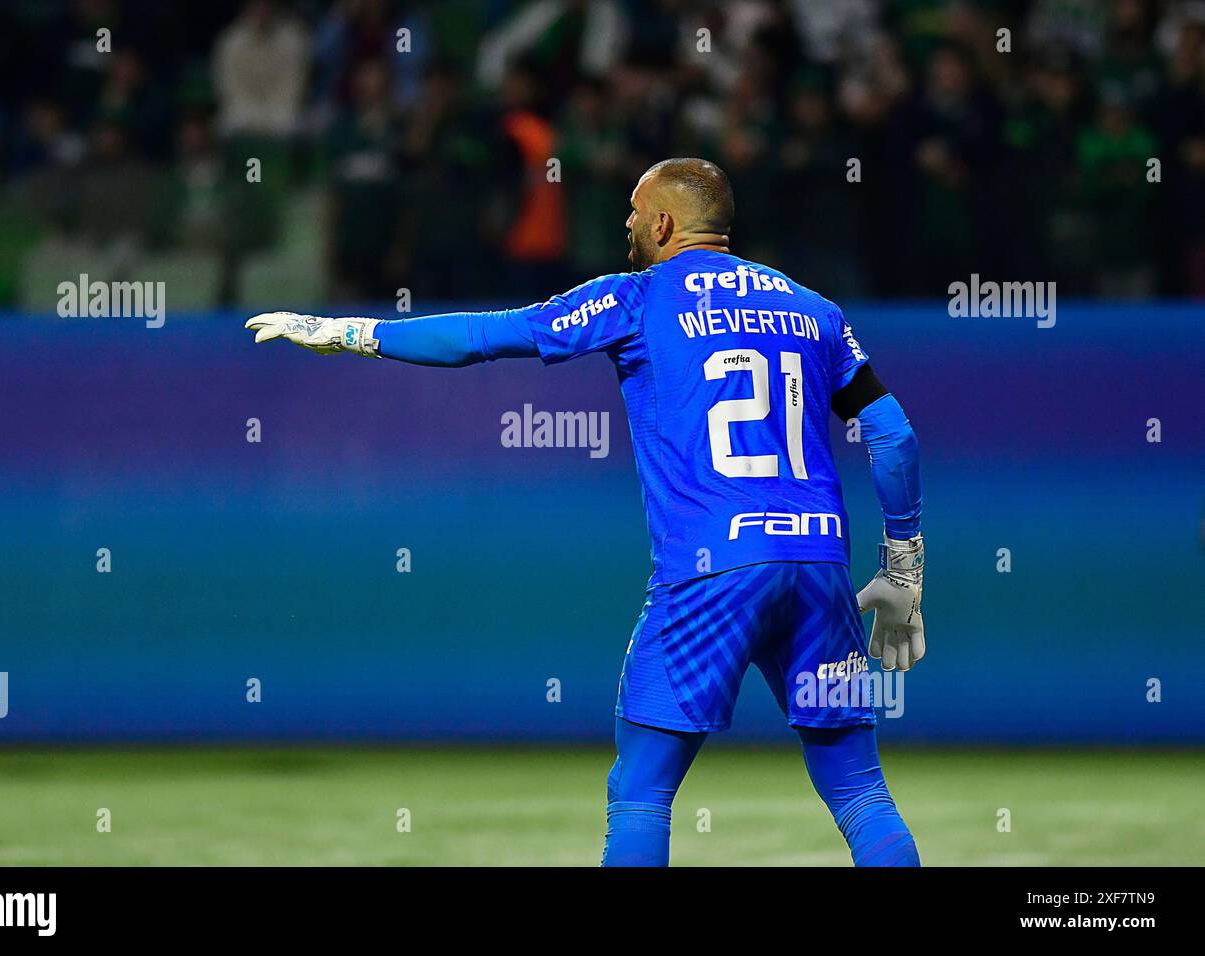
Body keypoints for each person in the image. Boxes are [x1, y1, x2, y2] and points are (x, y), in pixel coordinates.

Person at [245, 158, 924, 867]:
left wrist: (350, 333)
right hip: (818, 566)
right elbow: (894, 436)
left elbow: (486, 337)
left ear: (664, 223)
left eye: (635, 210)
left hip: (710, 567)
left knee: (641, 792)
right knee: (860, 791)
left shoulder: (635, 298)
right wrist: (903, 571)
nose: (626, 223)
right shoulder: (816, 310)